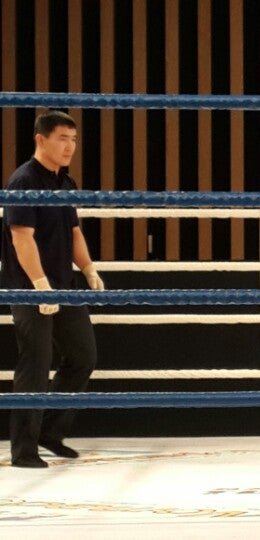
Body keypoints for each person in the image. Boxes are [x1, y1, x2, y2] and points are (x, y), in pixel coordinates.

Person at [1, 111, 102, 468]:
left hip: (64, 283)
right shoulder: (23, 181)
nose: (70, 146)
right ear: (40, 139)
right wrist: (40, 286)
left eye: (73, 139)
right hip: (29, 287)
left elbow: (73, 231)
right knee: (36, 361)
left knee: (83, 356)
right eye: (62, 138)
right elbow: (21, 237)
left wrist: (88, 268)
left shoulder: (65, 182)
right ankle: (23, 450)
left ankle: (49, 431)